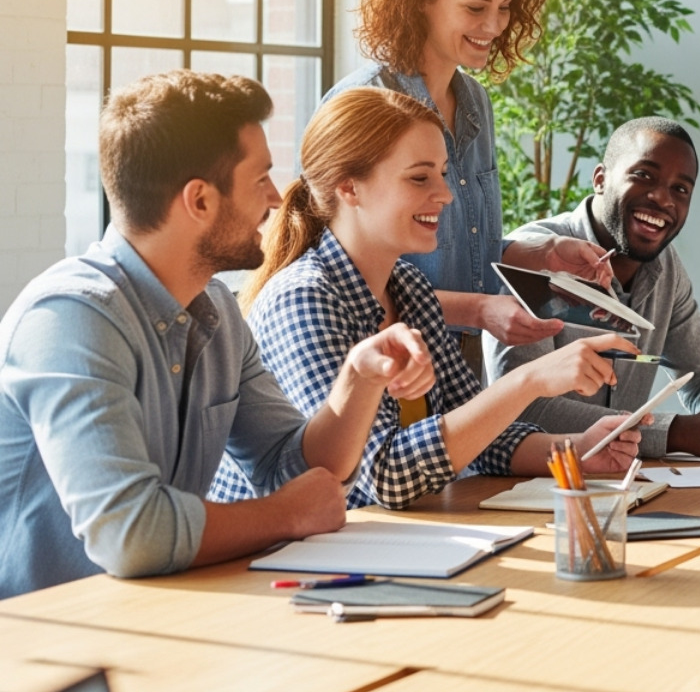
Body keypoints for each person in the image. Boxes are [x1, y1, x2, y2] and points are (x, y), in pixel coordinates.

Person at [0, 72, 436, 598]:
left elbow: (292, 469)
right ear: (200, 201)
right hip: (39, 633)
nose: (276, 198)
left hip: (152, 611)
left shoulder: (217, 312)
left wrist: (359, 378)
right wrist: (286, 515)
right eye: (260, 178)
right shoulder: (71, 319)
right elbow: (130, 534)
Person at [208, 88, 646, 511]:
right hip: (285, 553)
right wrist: (529, 380)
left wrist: (579, 450)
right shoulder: (303, 299)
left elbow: (479, 436)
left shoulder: (409, 287)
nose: (445, 194)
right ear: (349, 188)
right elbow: (384, 476)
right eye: (420, 177)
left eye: (442, 173)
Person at [328, 0, 614, 378]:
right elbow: (341, 280)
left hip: (462, 364)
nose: (495, 25)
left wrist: (544, 254)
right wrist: (479, 310)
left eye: (505, 8)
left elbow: (464, 247)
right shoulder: (366, 103)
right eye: (476, 8)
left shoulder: (475, 102)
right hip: (387, 364)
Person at [491, 117, 700, 459]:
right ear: (600, 179)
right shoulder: (531, 255)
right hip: (518, 483)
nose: (662, 198)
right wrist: (679, 433)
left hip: (620, 478)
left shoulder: (665, 267)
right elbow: (520, 409)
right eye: (644, 175)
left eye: (681, 189)